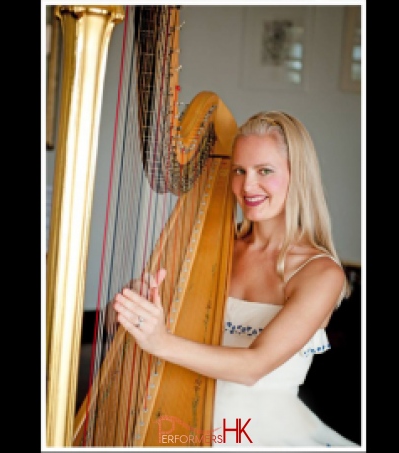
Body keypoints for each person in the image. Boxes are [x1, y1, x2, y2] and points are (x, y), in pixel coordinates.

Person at [112, 110, 360, 447]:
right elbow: (157, 334)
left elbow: (253, 367)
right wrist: (137, 304)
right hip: (183, 419)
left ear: (297, 176)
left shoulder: (319, 273)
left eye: (265, 171)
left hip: (261, 433)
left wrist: (162, 342)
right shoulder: (212, 250)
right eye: (239, 171)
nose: (248, 185)